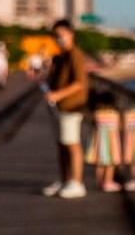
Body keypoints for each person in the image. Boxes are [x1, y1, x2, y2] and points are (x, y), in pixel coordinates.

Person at [41, 19, 89, 199]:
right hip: (59, 108)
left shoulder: (75, 54)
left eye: (61, 35)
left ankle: (76, 182)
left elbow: (80, 83)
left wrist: (57, 95)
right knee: (62, 144)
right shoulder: (60, 56)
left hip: (72, 106)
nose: (58, 39)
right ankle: (64, 181)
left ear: (71, 34)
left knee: (72, 143)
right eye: (56, 36)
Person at [85, 90, 123, 192]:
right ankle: (108, 182)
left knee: (99, 164)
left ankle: (100, 182)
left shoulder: (97, 114)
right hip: (112, 142)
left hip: (99, 142)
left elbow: (93, 125)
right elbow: (119, 127)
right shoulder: (115, 114)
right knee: (110, 164)